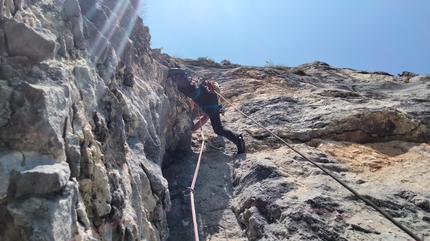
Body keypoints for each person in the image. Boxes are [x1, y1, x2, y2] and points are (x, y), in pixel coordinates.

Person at [167, 68, 245, 154]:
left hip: (203, 92)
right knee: (218, 128)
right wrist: (192, 130)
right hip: (210, 99)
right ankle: (237, 139)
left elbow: (198, 114)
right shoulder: (212, 106)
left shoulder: (205, 102)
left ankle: (182, 75)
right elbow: (203, 119)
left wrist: (191, 130)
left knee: (187, 89)